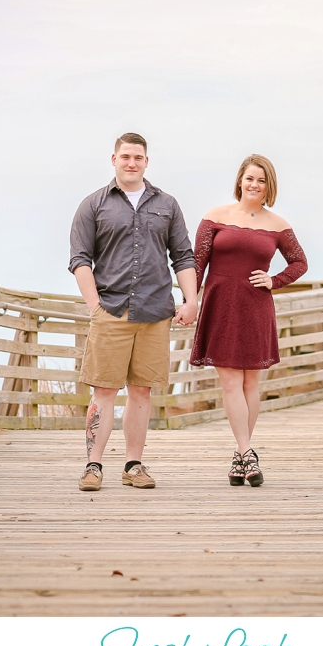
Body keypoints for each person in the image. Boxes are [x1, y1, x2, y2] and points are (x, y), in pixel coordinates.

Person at [69, 133, 198, 492]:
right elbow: (80, 259)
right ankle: (93, 466)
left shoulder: (167, 205)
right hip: (111, 310)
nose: (131, 162)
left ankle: (134, 465)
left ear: (146, 162)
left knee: (142, 392)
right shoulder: (94, 205)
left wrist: (191, 299)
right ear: (113, 159)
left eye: (138, 157)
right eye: (125, 156)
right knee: (104, 393)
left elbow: (183, 256)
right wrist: (94, 305)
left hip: (156, 312)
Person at [189, 154, 307, 487]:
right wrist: (190, 301)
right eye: (250, 178)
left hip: (256, 306)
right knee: (230, 382)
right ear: (240, 180)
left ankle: (242, 456)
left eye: (262, 180)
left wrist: (275, 280)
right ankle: (246, 453)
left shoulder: (278, 224)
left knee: (251, 384)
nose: (254, 185)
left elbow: (299, 263)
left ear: (269, 186)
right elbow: (197, 263)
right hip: (220, 304)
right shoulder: (215, 216)